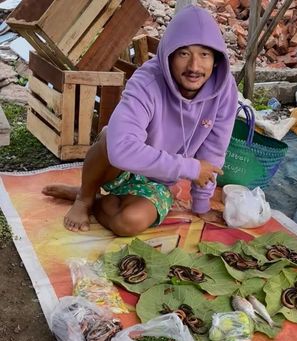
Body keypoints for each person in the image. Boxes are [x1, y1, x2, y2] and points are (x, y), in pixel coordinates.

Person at [42, 5, 238, 236]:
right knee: (109, 137)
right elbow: (121, 149)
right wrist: (190, 167)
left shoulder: (224, 91)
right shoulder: (147, 81)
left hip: (159, 181)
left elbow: (213, 153)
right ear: (169, 56)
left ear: (216, 60)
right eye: (184, 53)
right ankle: (84, 198)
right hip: (119, 167)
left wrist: (201, 205)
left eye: (204, 54)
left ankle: (96, 201)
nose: (194, 66)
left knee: (129, 223)